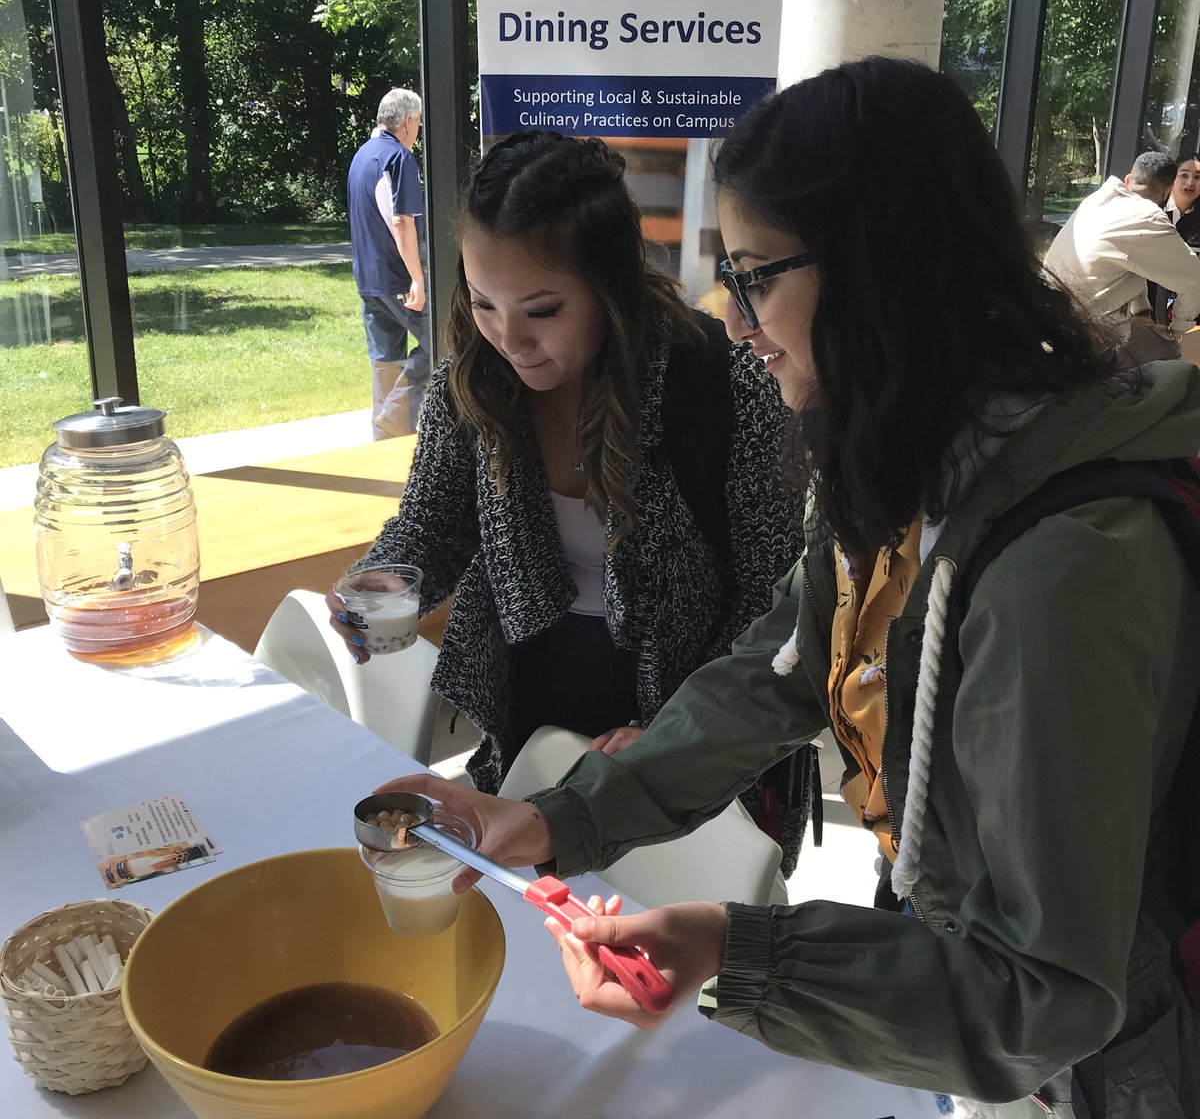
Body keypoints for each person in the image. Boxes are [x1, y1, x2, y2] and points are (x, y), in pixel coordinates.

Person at [379, 59, 1200, 1117]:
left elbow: (1038, 999)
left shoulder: (1064, 569)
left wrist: (735, 952)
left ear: (882, 271)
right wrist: (548, 822)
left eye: (757, 273)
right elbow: (775, 669)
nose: (734, 316)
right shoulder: (913, 462)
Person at [331, 130, 813, 870]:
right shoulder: (474, 378)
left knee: (669, 936)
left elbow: (771, 603)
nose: (508, 339)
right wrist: (384, 579)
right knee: (537, 900)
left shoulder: (724, 382)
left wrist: (672, 731)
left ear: (612, 286)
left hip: (700, 702)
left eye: (543, 309)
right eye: (484, 303)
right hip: (530, 692)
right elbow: (431, 523)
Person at [1044, 150, 1200, 365]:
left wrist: (1141, 314)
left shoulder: (1095, 201)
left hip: (1049, 317)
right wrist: (1178, 330)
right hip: (1084, 331)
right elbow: (1194, 278)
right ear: (1167, 191)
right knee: (1169, 350)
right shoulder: (1147, 218)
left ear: (1128, 179)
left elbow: (1132, 260)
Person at [347, 87, 431, 439]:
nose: (419, 131)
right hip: (397, 278)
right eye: (420, 123)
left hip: (368, 279)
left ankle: (383, 441)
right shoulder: (398, 158)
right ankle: (394, 420)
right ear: (409, 122)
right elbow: (401, 221)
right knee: (443, 343)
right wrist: (418, 279)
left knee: (385, 360)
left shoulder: (362, 156)